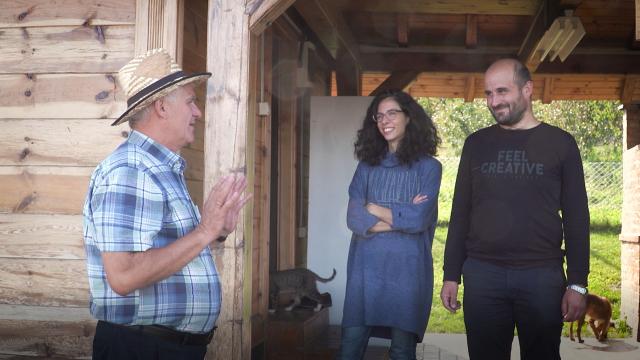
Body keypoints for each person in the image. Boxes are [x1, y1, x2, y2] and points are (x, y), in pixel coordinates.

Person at [83, 48, 251, 359]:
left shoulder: (158, 167)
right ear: (161, 107)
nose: (198, 112)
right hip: (142, 349)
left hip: (161, 347)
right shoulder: (131, 170)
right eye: (190, 101)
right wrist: (204, 230)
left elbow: (170, 248)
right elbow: (124, 276)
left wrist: (215, 232)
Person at [440, 58, 590, 360]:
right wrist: (451, 273)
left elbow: (577, 217)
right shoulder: (476, 144)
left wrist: (577, 282)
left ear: (527, 89)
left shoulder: (561, 144)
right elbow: (460, 212)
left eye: (502, 91)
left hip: (541, 276)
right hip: (483, 275)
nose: (494, 101)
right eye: (488, 94)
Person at [338, 89, 442, 360]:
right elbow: (354, 218)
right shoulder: (366, 167)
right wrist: (401, 216)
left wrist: (374, 208)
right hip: (365, 271)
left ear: (409, 117)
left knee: (401, 351)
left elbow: (420, 219)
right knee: (350, 346)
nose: (384, 120)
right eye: (379, 115)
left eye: (392, 113)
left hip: (407, 273)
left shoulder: (429, 168)